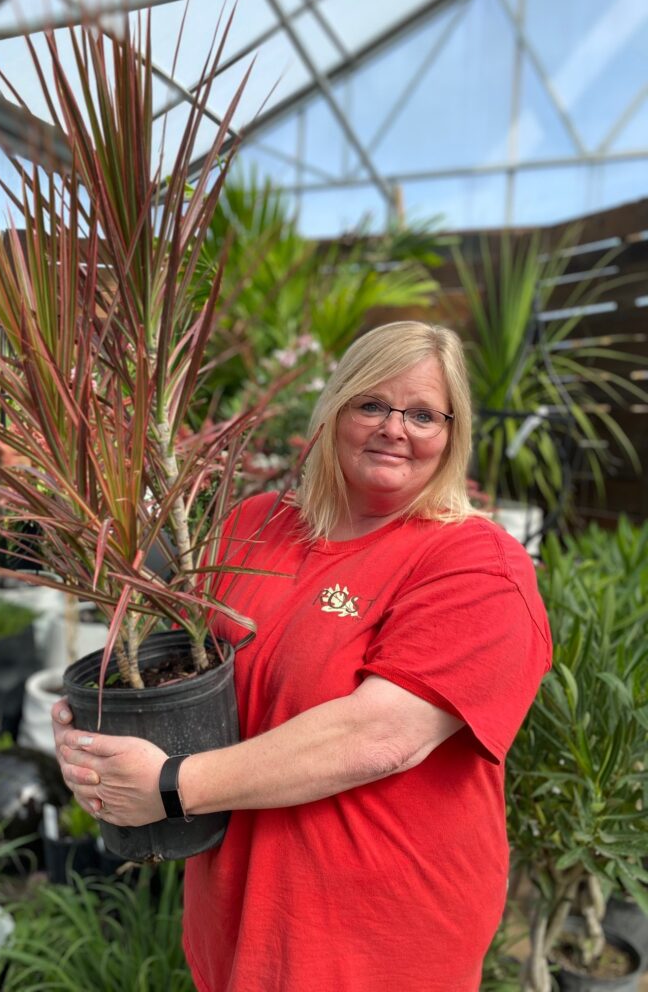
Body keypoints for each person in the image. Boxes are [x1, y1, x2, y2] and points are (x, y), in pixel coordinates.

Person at [52, 320, 552, 992]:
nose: (394, 428)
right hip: (238, 920)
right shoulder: (256, 524)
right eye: (371, 404)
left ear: (452, 434)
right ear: (335, 409)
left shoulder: (476, 563)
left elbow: (382, 737)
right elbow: (184, 672)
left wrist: (169, 787)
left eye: (424, 413)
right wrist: (97, 738)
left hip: (378, 946)